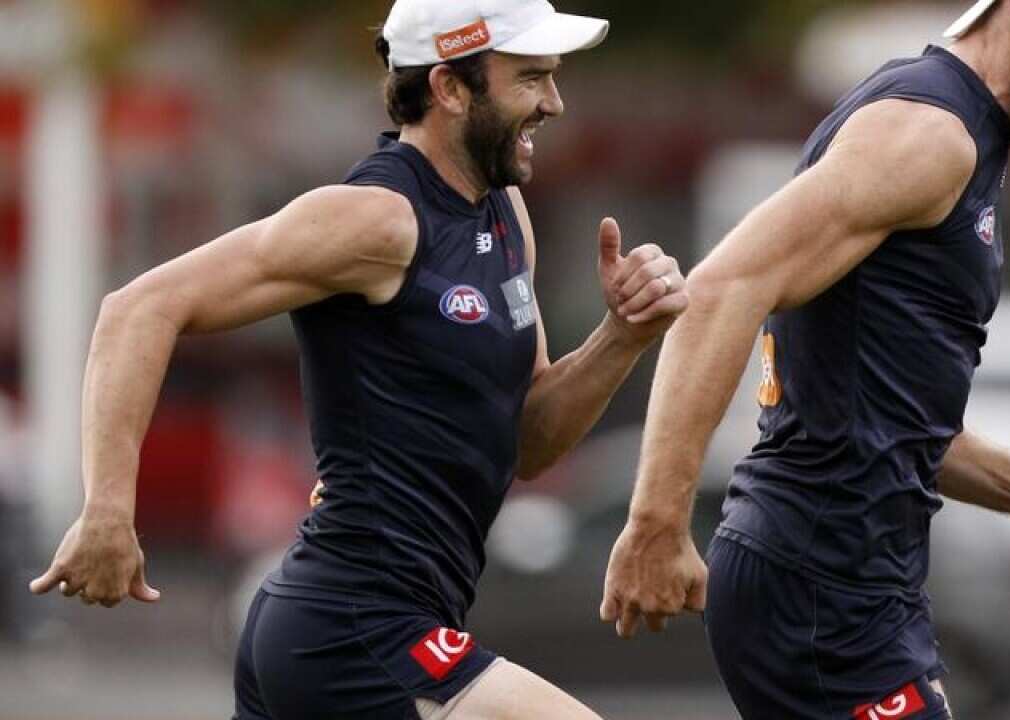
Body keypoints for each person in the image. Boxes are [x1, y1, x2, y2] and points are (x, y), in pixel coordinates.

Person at [28, 1, 689, 718]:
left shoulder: (504, 212)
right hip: (349, 626)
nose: (554, 103)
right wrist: (106, 512)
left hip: (376, 624)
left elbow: (527, 441)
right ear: (449, 88)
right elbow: (137, 309)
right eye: (530, 79)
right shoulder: (374, 217)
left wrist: (621, 336)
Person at [600, 0, 1010, 718]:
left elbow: (878, 411)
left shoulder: (960, 130)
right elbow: (718, 290)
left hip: (852, 587)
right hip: (821, 586)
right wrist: (656, 523)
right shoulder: (930, 134)